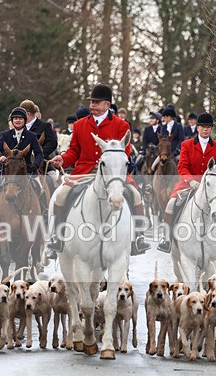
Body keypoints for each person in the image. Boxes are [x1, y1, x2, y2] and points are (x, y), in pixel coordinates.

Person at [46, 83, 151, 258]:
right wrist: (63, 158)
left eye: (96, 102)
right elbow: (74, 152)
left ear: (107, 105)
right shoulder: (80, 125)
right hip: (84, 171)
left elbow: (123, 155)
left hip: (113, 174)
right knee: (61, 195)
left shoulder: (121, 126)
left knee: (136, 196)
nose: (92, 105)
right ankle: (58, 237)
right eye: (91, 102)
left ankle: (138, 237)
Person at [157, 113, 216, 254]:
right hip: (189, 183)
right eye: (203, 126)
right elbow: (182, 166)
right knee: (172, 203)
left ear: (211, 129)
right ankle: (166, 238)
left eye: (208, 127)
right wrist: (190, 181)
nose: (205, 129)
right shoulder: (186, 145)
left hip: (211, 186)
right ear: (197, 128)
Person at [0, 106, 46, 225]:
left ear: (24, 120)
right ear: (12, 121)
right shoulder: (5, 134)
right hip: (7, 169)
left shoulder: (31, 136)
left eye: (20, 118)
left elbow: (39, 154)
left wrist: (34, 165)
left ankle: (45, 212)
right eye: (15, 118)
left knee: (40, 188)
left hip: (27, 170)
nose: (18, 120)